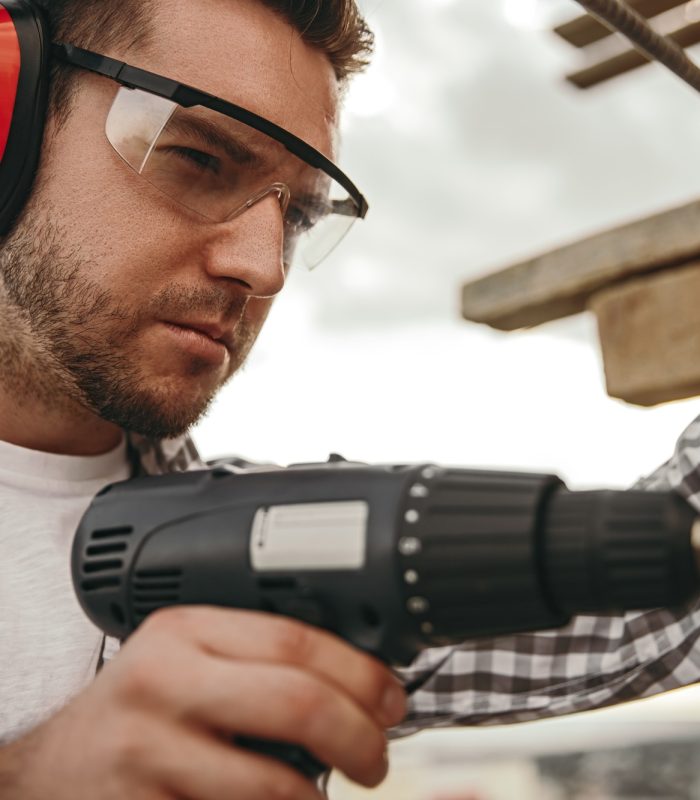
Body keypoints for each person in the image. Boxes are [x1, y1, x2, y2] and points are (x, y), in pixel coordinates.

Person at [1, 0, 700, 798]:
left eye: (296, 216)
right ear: (9, 118)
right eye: (196, 158)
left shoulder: (264, 557)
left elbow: (643, 618)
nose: (263, 268)